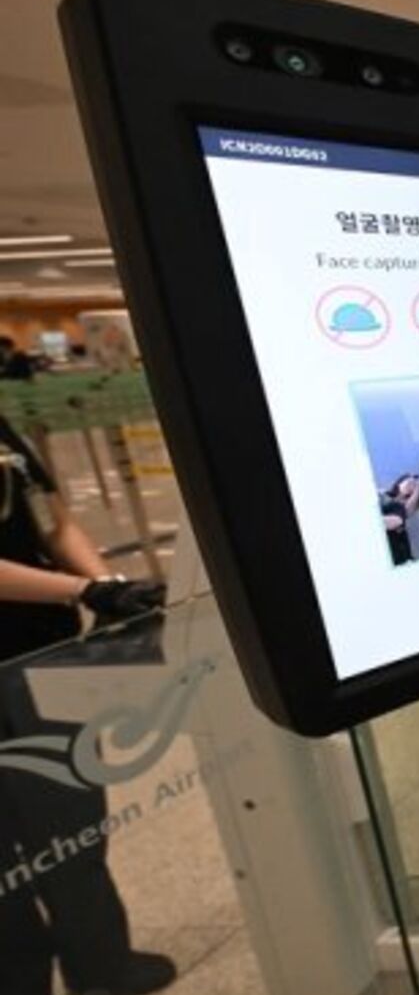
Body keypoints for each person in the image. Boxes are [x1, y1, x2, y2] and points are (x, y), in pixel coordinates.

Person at [0, 412, 176, 995]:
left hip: (43, 655)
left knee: (73, 825)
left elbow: (53, 520)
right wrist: (83, 589)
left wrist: (111, 585)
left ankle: (101, 967)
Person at [380, 474, 419, 565]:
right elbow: (396, 520)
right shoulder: (385, 499)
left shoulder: (400, 506)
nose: (412, 484)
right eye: (410, 481)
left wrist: (418, 490)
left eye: (414, 483)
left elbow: (405, 511)